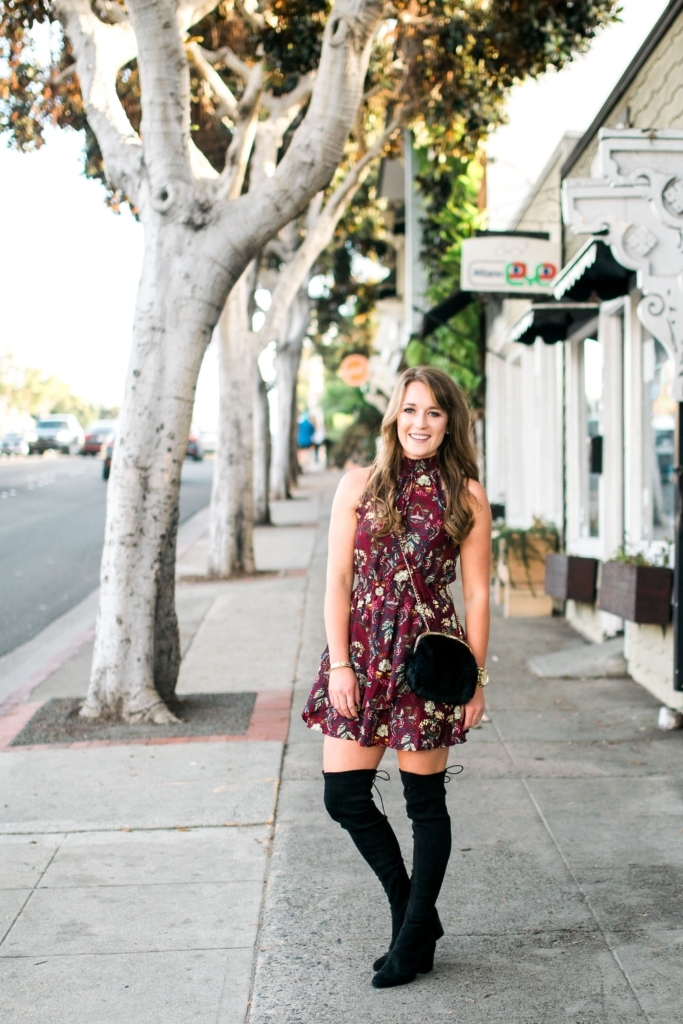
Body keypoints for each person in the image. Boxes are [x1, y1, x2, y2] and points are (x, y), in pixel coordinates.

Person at [302, 365, 491, 988]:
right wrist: (338, 664)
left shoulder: (466, 494)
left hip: (428, 660)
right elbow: (336, 581)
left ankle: (410, 940)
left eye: (434, 413)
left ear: (449, 423)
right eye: (411, 410)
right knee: (345, 796)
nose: (420, 423)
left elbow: (479, 594)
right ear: (394, 415)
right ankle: (413, 912)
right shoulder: (359, 484)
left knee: (424, 805)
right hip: (361, 652)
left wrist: (476, 679)